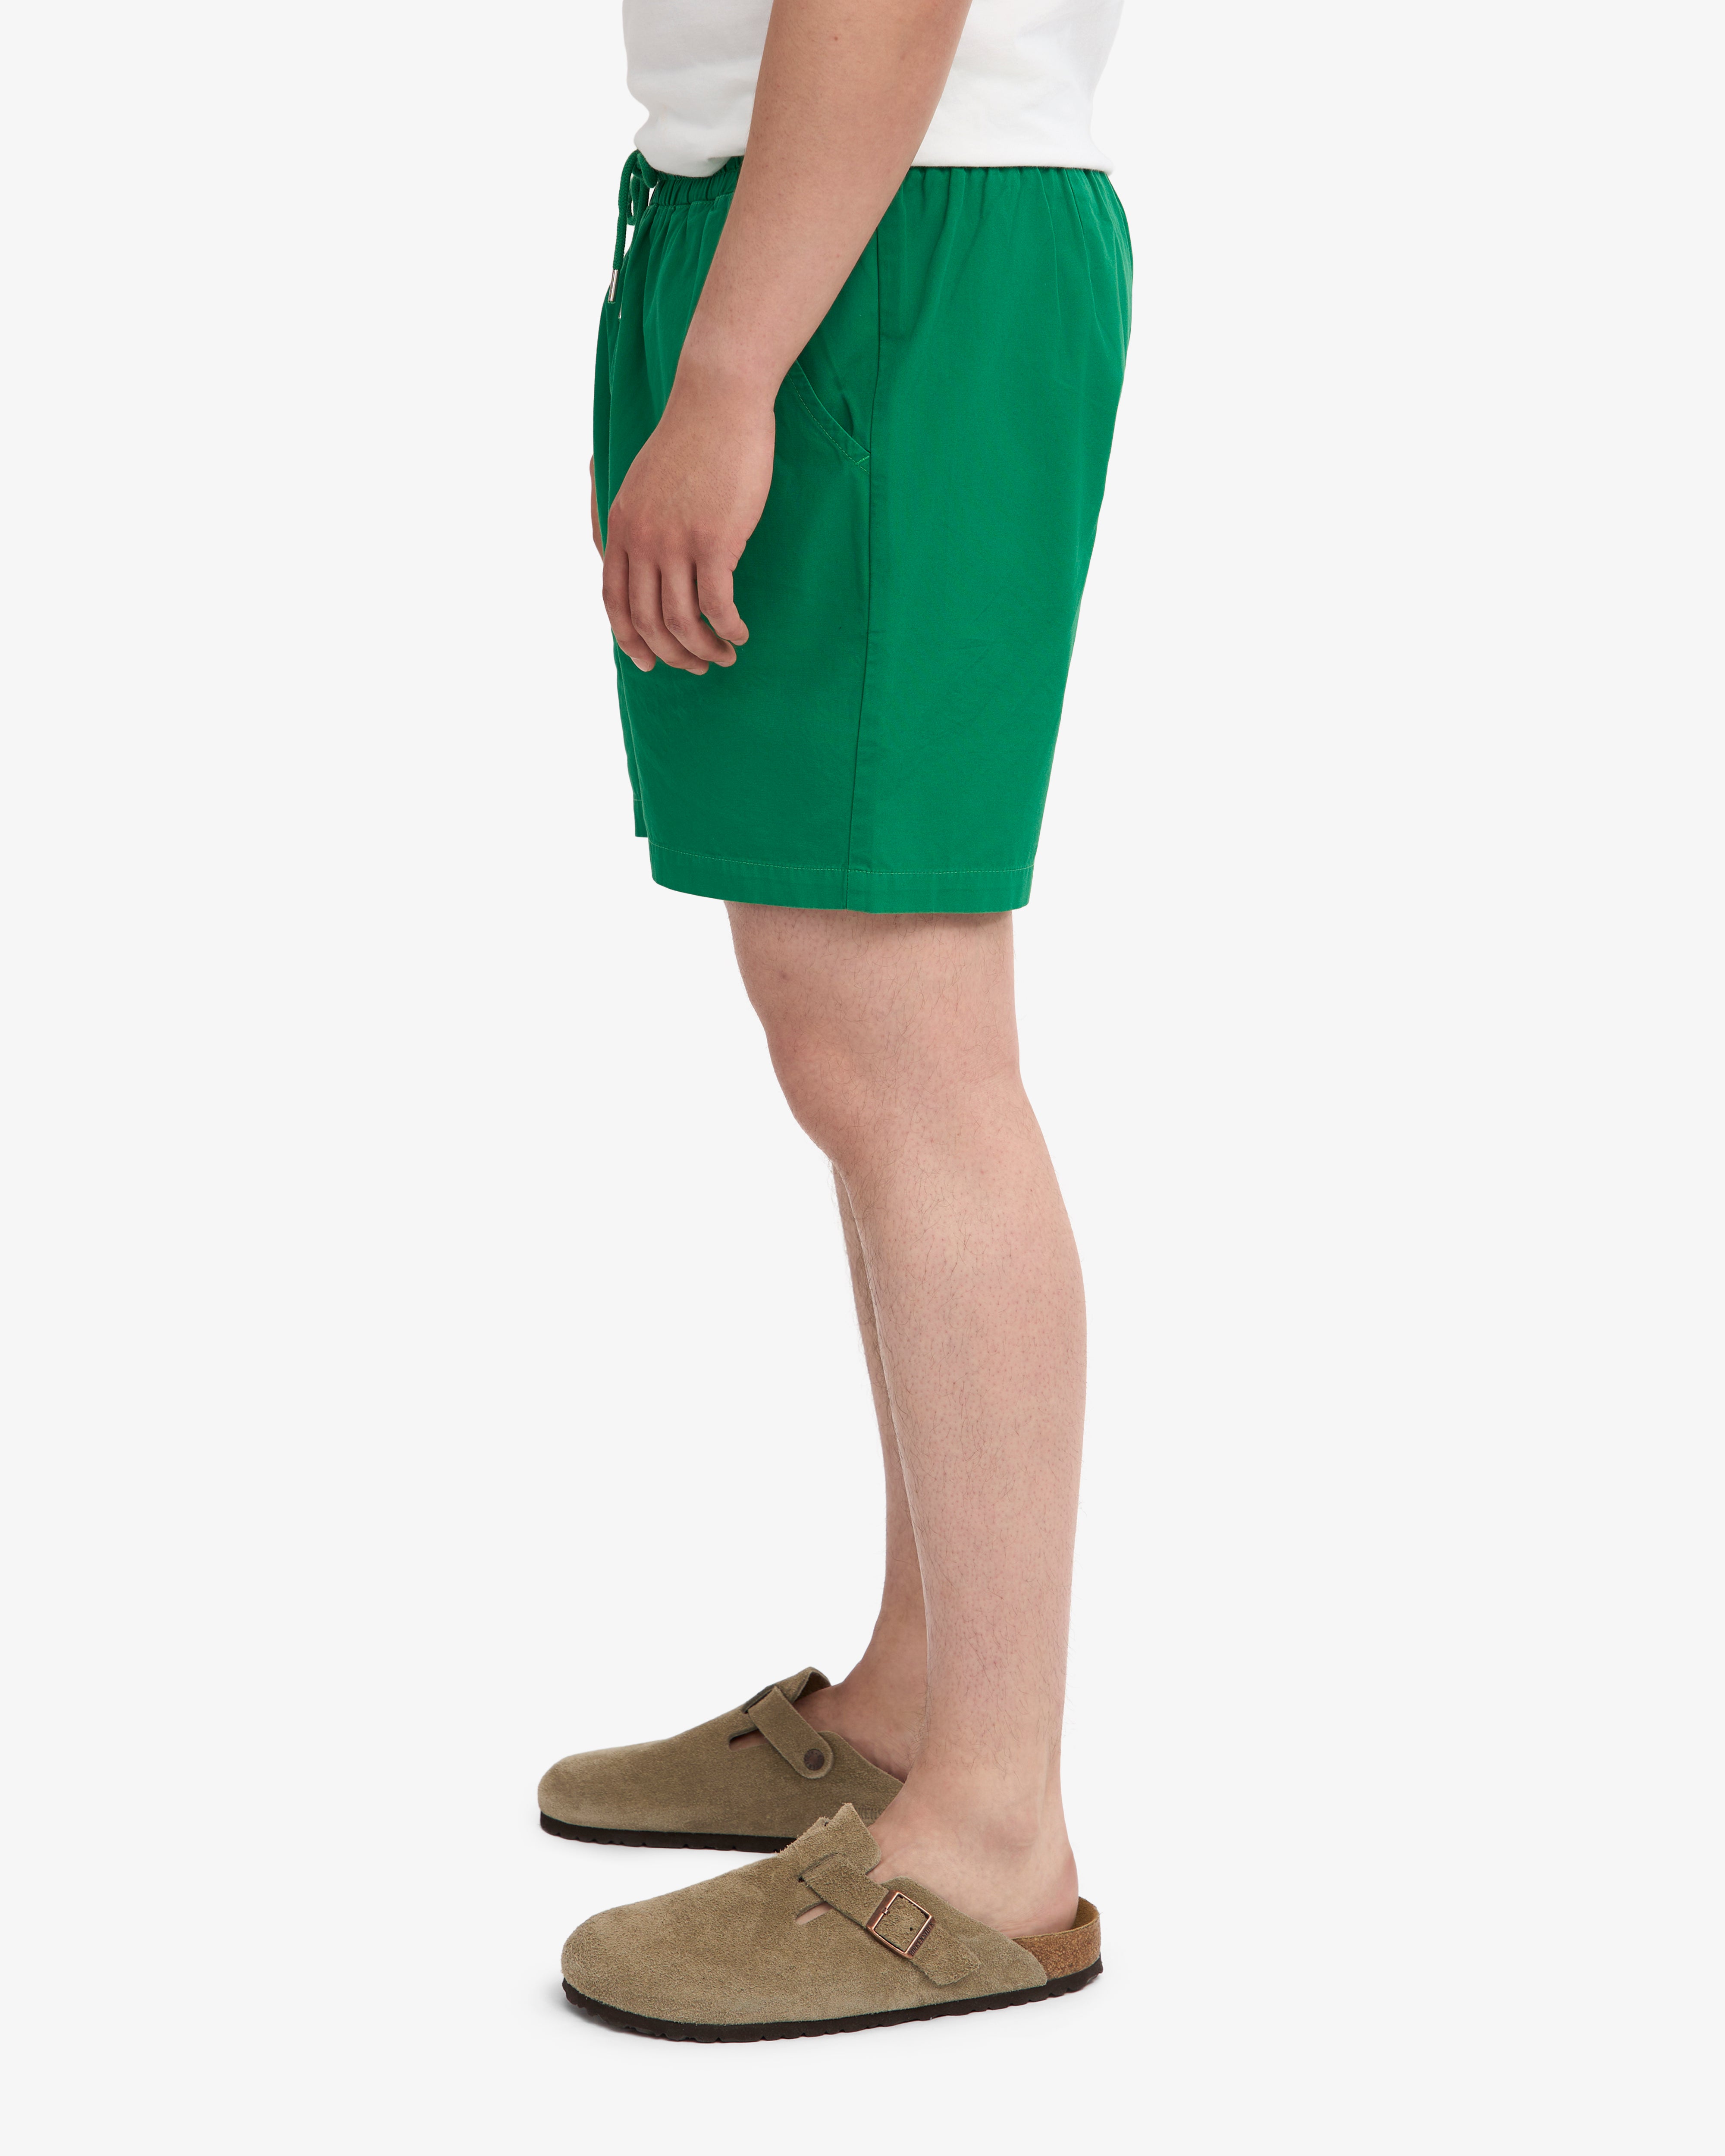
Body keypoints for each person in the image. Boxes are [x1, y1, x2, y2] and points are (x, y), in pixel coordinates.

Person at [541, 0, 1131, 2040]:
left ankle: (991, 1834)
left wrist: (728, 376)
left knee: (906, 1052)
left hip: (879, 233)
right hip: (816, 225)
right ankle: (910, 1709)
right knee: (852, 1043)